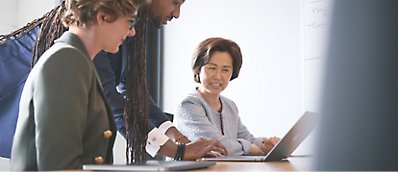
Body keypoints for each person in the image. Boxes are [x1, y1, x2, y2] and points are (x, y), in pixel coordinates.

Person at [10, 0, 146, 170]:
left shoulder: (77, 59)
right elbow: (60, 167)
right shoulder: (66, 61)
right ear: (103, 16)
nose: (132, 32)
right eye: (130, 22)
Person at [92, 0, 226, 162]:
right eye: (175, 3)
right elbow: (108, 98)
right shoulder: (95, 29)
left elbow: (135, 90)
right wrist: (176, 150)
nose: (177, 14)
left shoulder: (130, 30)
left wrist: (175, 136)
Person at [174, 37, 280, 156]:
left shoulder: (229, 105)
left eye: (225, 70)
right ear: (198, 69)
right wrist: (249, 147)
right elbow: (215, 145)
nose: (218, 76)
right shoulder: (188, 105)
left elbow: (246, 138)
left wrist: (265, 144)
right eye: (212, 68)